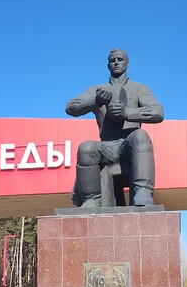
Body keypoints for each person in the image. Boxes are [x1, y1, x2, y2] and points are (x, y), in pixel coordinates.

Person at [65, 48, 164, 207]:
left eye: (120, 59)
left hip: (128, 145)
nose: (116, 63)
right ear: (108, 65)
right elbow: (70, 107)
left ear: (127, 63)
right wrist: (96, 101)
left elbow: (158, 113)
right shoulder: (98, 90)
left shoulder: (139, 88)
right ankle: (92, 199)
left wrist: (127, 113)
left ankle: (143, 191)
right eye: (112, 60)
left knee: (141, 135)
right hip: (106, 147)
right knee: (86, 147)